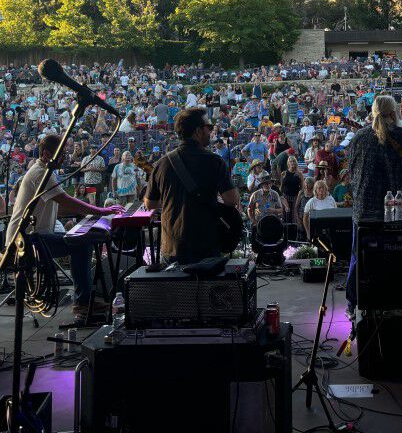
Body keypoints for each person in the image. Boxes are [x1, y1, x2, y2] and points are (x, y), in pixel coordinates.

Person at [5, 134, 124, 321]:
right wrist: (102, 210)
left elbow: (55, 206)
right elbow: (66, 200)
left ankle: (83, 301)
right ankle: (82, 304)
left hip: (34, 235)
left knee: (79, 243)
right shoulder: (41, 174)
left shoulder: (44, 170)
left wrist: (86, 214)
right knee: (80, 245)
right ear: (46, 154)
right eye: (61, 154)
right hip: (25, 240)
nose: (65, 157)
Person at [346, 95, 402, 318]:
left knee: (359, 258)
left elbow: (351, 173)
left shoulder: (358, 139)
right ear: (394, 113)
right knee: (397, 260)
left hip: (364, 214)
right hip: (397, 213)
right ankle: (397, 302)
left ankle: (353, 303)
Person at [144, 108, 240, 264]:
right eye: (208, 127)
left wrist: (175, 200)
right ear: (197, 131)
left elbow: (150, 204)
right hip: (205, 246)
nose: (210, 131)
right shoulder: (215, 161)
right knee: (207, 288)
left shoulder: (162, 163)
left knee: (178, 289)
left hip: (172, 247)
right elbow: (231, 200)